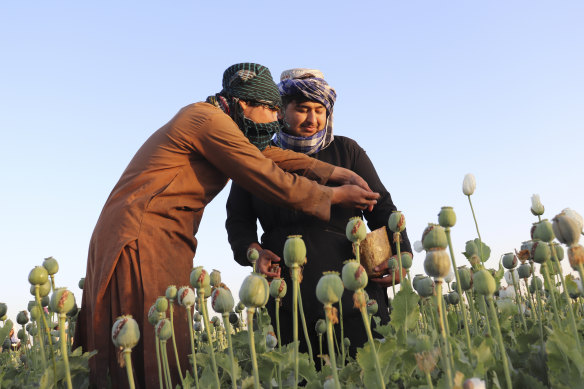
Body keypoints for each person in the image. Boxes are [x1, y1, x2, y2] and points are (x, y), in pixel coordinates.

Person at [74, 63, 379, 389]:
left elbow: (270, 155)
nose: (277, 119)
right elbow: (265, 174)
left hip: (162, 235)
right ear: (247, 103)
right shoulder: (206, 119)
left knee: (167, 341)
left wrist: (334, 172)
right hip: (142, 233)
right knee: (152, 348)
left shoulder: (223, 123)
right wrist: (333, 195)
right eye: (273, 109)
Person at [225, 68, 412, 361]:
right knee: (301, 373)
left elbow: (382, 208)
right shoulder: (257, 157)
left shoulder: (347, 152)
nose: (313, 120)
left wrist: (401, 255)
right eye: (302, 109)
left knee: (365, 369)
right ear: (280, 111)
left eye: (319, 110)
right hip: (288, 293)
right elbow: (238, 220)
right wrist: (253, 252)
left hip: (353, 288)